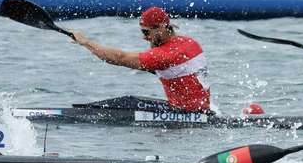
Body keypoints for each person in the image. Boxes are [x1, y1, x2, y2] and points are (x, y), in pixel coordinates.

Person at [70, 7, 211, 112]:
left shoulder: (164, 55)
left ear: (161, 28)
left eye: (146, 31)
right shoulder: (190, 43)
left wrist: (85, 42)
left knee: (126, 102)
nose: (144, 37)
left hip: (185, 114)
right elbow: (180, 72)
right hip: (203, 110)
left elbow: (120, 58)